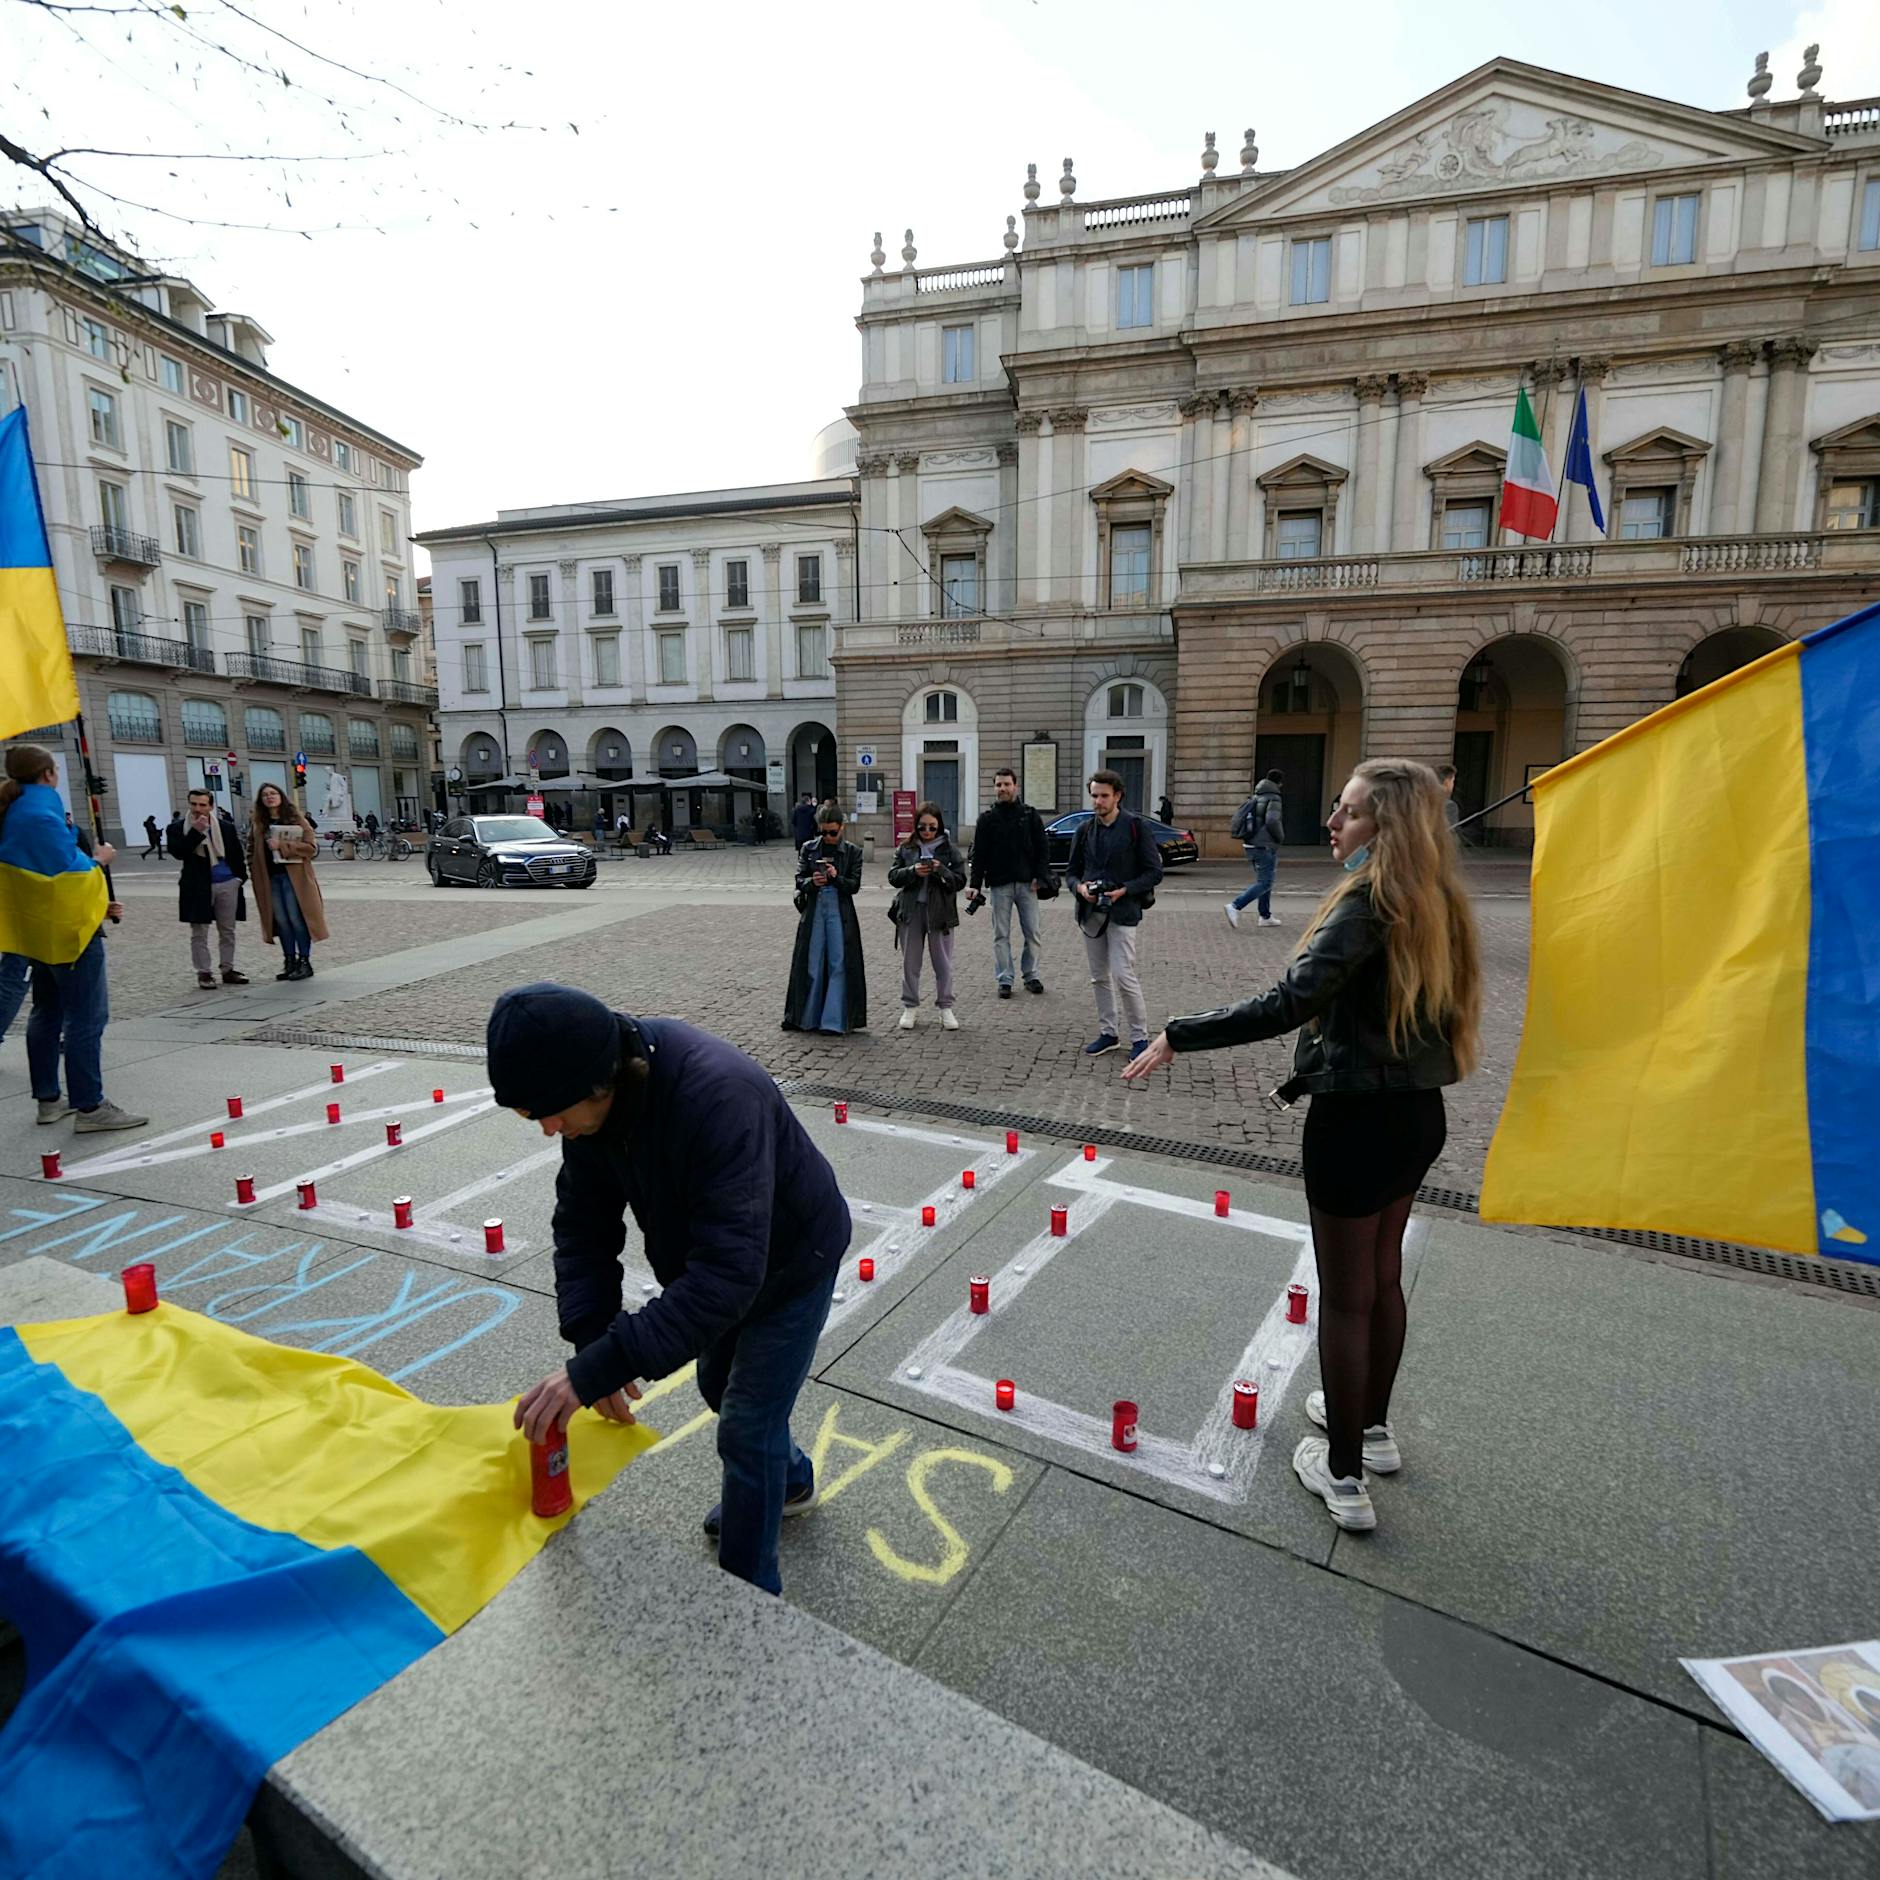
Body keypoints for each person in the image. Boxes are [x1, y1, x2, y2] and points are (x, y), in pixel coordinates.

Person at [1124, 759, 1481, 1533]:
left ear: (1384, 829)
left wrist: (1179, 1034)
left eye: (1349, 812)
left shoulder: (1370, 905)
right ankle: (1372, 1431)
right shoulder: (1439, 900)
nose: (1332, 822)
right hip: (1418, 1118)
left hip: (1356, 1121)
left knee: (1349, 1299)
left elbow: (1289, 1003)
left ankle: (1345, 1475)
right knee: (1382, 1281)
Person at [497, 983, 849, 1596]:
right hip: (720, 1260)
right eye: (533, 1115)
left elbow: (729, 1276)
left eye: (551, 1110)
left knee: (746, 1425)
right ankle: (789, 1481)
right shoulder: (590, 1106)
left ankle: (746, 1600)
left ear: (599, 1082)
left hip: (794, 1259)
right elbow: (583, 1230)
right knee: (718, 1385)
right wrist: (591, 1344)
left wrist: (597, 1371)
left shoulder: (717, 1095)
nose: (548, 1129)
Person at [0, 744, 146, 1133]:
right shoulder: (39, 813)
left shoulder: (15, 810)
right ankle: (90, 1105)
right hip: (68, 932)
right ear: (48, 773)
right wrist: (100, 859)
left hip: (39, 930)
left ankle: (49, 1099)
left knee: (46, 1011)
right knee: (86, 1016)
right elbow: (69, 874)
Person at [1067, 769, 1162, 1061]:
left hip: (1123, 911)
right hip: (1090, 913)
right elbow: (1070, 873)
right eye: (1094, 795)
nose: (1098, 801)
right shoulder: (1084, 829)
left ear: (1117, 796)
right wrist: (1081, 888)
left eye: (1103, 796)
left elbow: (1154, 872)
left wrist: (1125, 890)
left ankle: (1140, 1037)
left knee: (1124, 976)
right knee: (1098, 977)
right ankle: (1108, 1032)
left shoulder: (1135, 826)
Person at [783, 802, 865, 1035]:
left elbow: (854, 886)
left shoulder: (852, 852)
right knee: (812, 961)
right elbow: (799, 878)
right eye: (823, 831)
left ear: (842, 828)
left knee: (838, 962)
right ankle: (807, 1017)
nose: (828, 837)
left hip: (840, 911)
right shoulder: (809, 848)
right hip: (815, 909)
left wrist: (836, 877)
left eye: (832, 832)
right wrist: (812, 882)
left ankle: (834, 1020)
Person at [968, 766, 1049, 999]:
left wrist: (1040, 876)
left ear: (1016, 786)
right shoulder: (986, 819)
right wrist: (975, 884)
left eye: (1006, 784)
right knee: (1000, 935)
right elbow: (979, 854)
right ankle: (1004, 978)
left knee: (1032, 932)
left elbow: (1043, 850)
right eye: (998, 785)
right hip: (999, 885)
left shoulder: (1030, 815)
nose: (1002, 788)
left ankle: (1031, 975)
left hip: (1027, 884)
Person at [889, 802, 966, 1031]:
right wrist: (913, 871)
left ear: (939, 826)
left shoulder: (949, 849)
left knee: (943, 963)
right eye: (922, 827)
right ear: (916, 826)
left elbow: (960, 881)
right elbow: (893, 876)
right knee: (910, 963)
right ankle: (910, 1006)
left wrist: (941, 871)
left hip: (940, 912)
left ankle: (945, 1007)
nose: (927, 832)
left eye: (932, 827)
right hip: (911, 911)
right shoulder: (906, 847)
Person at [169, 787, 250, 989]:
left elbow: (237, 855)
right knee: (199, 931)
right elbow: (179, 853)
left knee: (227, 930)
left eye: (202, 805)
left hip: (227, 882)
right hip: (197, 886)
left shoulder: (225, 827)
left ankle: (228, 969)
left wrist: (239, 878)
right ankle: (204, 972)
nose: (198, 809)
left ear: (211, 806)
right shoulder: (178, 828)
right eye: (194, 804)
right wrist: (196, 832)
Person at [250, 781, 327, 981]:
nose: (269, 797)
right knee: (282, 921)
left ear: (281, 796)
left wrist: (283, 845)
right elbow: (251, 849)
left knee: (296, 918)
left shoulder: (296, 819)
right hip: (271, 878)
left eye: (273, 793)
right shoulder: (259, 823)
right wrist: (253, 869)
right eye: (265, 794)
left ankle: (304, 961)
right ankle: (289, 960)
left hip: (294, 878)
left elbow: (310, 848)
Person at [1226, 768, 1286, 930]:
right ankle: (1235, 906)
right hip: (1264, 845)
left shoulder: (1257, 796)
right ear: (1279, 783)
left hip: (1251, 843)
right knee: (1265, 882)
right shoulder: (1274, 798)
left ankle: (1265, 916)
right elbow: (1272, 820)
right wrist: (1280, 838)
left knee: (1265, 880)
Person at [1436, 762, 1462, 836]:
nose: (1453, 784)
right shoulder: (1449, 805)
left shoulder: (1420, 801)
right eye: (1453, 781)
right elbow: (1450, 835)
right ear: (1447, 782)